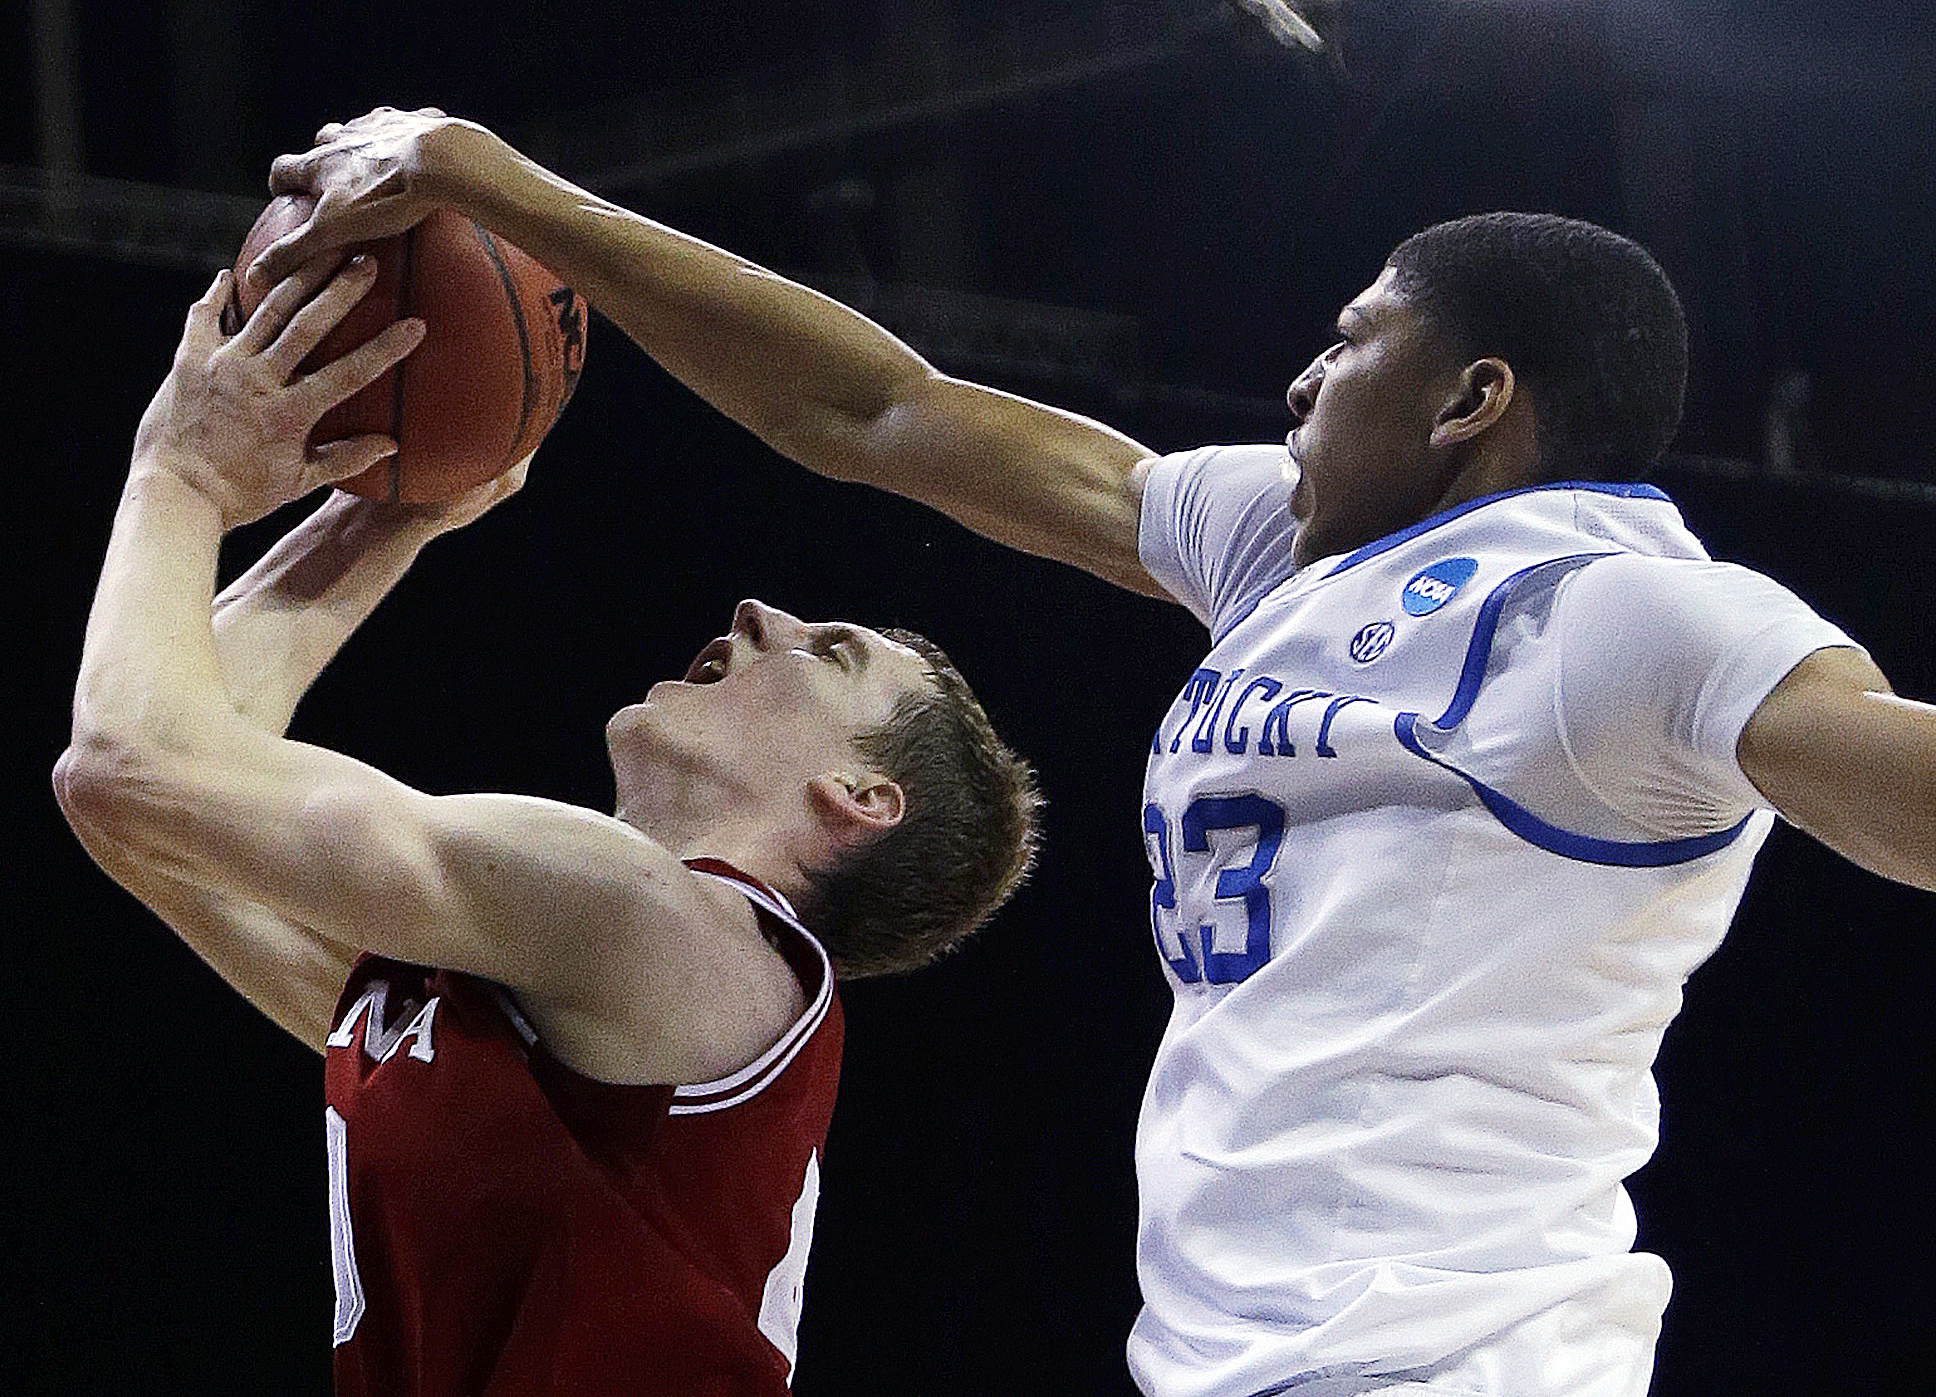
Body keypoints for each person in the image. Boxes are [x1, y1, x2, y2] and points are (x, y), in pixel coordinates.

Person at [249, 108, 1936, 1397]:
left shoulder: (1634, 617)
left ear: (1470, 397)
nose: (1299, 376)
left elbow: (1886, 772)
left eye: (1353, 340)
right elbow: (876, 414)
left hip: (1463, 1355)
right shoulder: (1274, 552)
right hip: (1227, 1359)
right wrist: (504, 183)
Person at [53, 250, 1039, 1396]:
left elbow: (139, 761)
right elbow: (141, 796)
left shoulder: (657, 923)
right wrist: (384, 518)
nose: (759, 609)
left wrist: (183, 470)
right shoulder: (542, 1007)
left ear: (860, 800)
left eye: (832, 651)